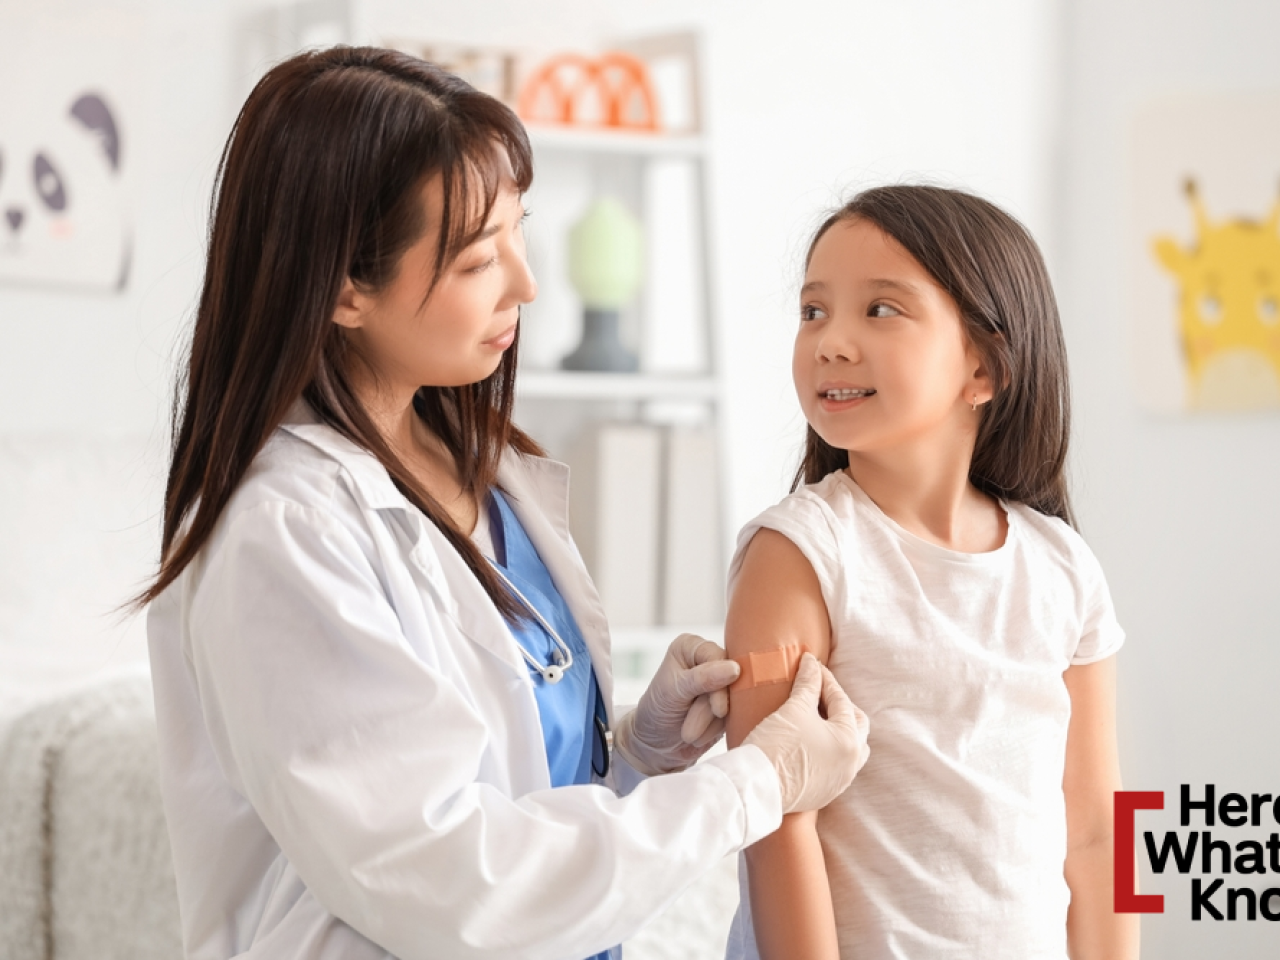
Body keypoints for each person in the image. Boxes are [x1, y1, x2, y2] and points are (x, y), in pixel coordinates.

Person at [139, 46, 870, 960]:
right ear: (344, 288)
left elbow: (513, 792)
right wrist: (757, 782)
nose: (527, 284)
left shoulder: (481, 471)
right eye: (480, 259)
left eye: (520, 232)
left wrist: (638, 750)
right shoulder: (283, 531)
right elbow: (454, 886)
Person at [722, 185, 1138, 959]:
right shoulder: (799, 556)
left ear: (983, 366)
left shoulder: (1063, 569)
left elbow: (1098, 828)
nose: (831, 342)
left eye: (880, 310)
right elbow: (778, 824)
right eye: (814, 311)